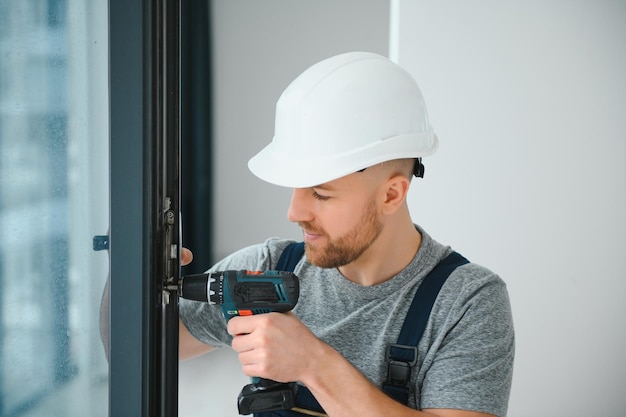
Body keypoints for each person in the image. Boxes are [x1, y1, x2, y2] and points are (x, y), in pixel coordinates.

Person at [179, 52, 514, 417]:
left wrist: (313, 364)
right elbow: (132, 348)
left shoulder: (466, 302)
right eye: (295, 189)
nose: (294, 213)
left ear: (391, 195)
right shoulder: (269, 269)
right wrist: (129, 261)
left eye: (321, 194)